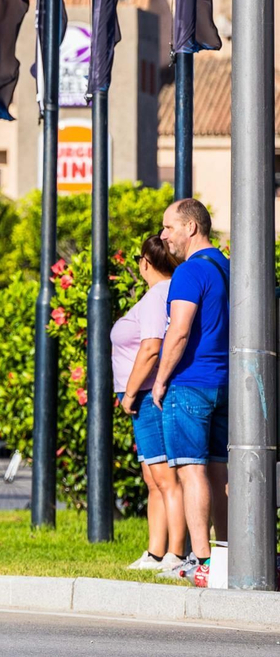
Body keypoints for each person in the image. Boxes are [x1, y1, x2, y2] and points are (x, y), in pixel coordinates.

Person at [152, 198, 229, 581]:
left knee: (190, 470)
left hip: (190, 384)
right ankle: (229, 558)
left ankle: (202, 562)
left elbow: (179, 330)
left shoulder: (188, 272)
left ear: (191, 228)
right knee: (219, 471)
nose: (164, 235)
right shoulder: (228, 268)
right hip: (226, 384)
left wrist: (161, 379)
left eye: (169, 227)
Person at [116, 234, 185, 573]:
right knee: (153, 478)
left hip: (144, 396)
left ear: (145, 261)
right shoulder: (157, 294)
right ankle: (156, 552)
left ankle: (175, 553)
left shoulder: (158, 295)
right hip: (141, 395)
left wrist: (129, 393)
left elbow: (151, 348)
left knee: (166, 477)